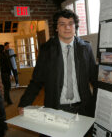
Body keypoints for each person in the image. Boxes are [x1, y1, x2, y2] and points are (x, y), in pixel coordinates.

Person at [18, 9, 97, 137]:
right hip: (56, 108)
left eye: (71, 23)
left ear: (75, 27)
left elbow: (94, 78)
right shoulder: (46, 49)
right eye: (62, 24)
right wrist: (24, 103)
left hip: (83, 110)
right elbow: (36, 80)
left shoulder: (86, 48)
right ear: (56, 28)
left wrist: (100, 103)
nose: (67, 27)